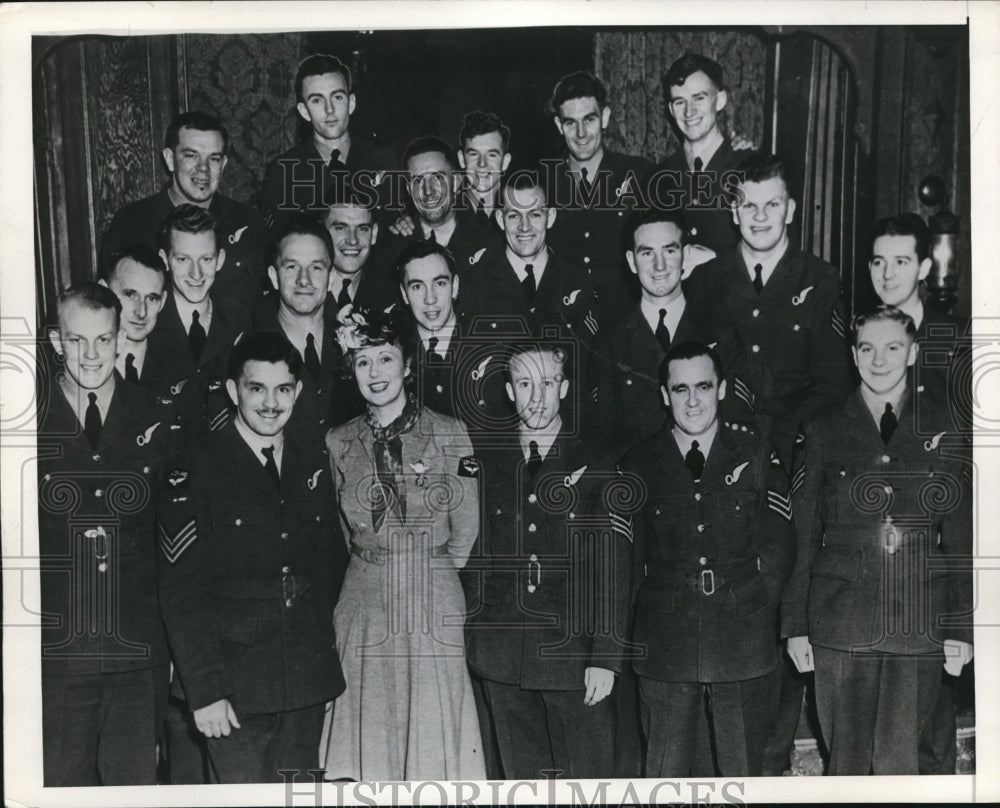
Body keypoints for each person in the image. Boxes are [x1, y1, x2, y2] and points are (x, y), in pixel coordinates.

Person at [782, 306, 973, 775]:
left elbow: (962, 535)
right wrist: (795, 625)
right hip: (841, 618)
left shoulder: (945, 428)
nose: (879, 360)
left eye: (892, 348)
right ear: (853, 355)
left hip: (918, 617)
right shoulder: (822, 427)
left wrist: (962, 628)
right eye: (867, 348)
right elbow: (802, 533)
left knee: (900, 762)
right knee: (844, 761)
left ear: (912, 354)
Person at [157, 331, 348, 783]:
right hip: (232, 687)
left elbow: (329, 566)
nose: (270, 403)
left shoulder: (311, 463)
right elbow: (183, 592)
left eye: (283, 389)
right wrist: (205, 691)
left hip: (303, 679)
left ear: (298, 391)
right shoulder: (195, 468)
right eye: (255, 388)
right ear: (232, 391)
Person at [319, 307, 485, 782]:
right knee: (366, 736)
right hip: (364, 598)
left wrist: (421, 570)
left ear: (408, 366)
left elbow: (466, 530)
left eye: (386, 359)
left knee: (433, 739)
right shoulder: (338, 441)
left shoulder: (449, 432)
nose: (375, 373)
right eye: (363, 361)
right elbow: (340, 528)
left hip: (429, 596)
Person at [618, 340, 795, 777]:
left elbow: (779, 544)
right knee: (667, 774)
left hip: (743, 639)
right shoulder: (638, 463)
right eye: (680, 389)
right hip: (666, 643)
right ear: (664, 395)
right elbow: (628, 556)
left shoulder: (755, 453)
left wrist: (755, 608)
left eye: (703, 386)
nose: (692, 400)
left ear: (722, 389)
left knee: (744, 774)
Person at [466, 342, 631, 779]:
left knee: (587, 781)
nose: (536, 397)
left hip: (574, 655)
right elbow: (474, 554)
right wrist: (477, 630)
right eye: (524, 384)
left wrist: (606, 655)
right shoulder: (487, 459)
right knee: (522, 783)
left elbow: (612, 566)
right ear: (508, 390)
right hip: (503, 655)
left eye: (546, 383)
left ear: (564, 388)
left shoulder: (597, 460)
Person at [38, 282, 176, 785]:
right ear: (57, 342)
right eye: (77, 341)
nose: (91, 354)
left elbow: (173, 543)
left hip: (136, 652)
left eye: (103, 339)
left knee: (133, 786)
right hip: (59, 653)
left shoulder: (155, 416)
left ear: (120, 340)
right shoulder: (25, 422)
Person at [867, 213, 973, 774]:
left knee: (930, 728)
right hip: (871, 557)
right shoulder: (857, 336)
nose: (887, 274)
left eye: (901, 262)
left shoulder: (955, 342)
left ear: (926, 268)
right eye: (878, 262)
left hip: (935, 555)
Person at [685, 152, 850, 467]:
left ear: (789, 211)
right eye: (749, 206)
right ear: (735, 213)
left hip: (795, 450)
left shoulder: (821, 280)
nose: (759, 217)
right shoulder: (707, 281)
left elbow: (832, 384)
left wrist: (782, 436)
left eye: (772, 205)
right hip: (720, 446)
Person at [589, 208, 749, 457]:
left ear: (685, 255)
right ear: (632, 261)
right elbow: (602, 438)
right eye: (647, 253)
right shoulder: (610, 342)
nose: (659, 265)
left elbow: (737, 426)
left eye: (669, 250)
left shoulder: (721, 332)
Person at [100, 111, 268, 317]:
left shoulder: (248, 222)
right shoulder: (133, 222)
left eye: (213, 159)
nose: (203, 169)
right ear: (170, 160)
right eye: (191, 156)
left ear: (223, 165)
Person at [546, 71, 654, 332]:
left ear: (604, 118)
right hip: (567, 329)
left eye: (589, 119)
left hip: (628, 326)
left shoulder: (640, 175)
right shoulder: (543, 184)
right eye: (571, 123)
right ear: (559, 126)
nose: (581, 133)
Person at [143, 204, 245, 448]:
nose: (196, 273)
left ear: (220, 259)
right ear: (164, 260)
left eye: (206, 259)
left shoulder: (239, 318)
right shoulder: (146, 320)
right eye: (183, 259)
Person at [252, 213, 361, 442]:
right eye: (292, 267)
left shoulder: (361, 340)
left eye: (316, 268)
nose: (304, 279)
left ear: (331, 278)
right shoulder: (249, 349)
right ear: (274, 277)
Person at [258, 53, 395, 232]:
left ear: (351, 103)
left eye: (337, 97)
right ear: (304, 111)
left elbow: (394, 227)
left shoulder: (383, 159)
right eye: (317, 100)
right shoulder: (283, 171)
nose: (329, 110)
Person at [396, 238, 511, 446]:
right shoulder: (393, 354)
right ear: (404, 294)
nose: (429, 299)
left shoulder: (494, 345)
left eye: (439, 283)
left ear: (455, 286)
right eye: (417, 287)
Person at [656, 54, 748, 258]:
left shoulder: (751, 168)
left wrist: (714, 259)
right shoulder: (659, 179)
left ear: (720, 100)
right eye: (680, 102)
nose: (689, 111)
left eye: (699, 98)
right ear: (671, 110)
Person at [377, 135, 497, 273]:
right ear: (409, 190)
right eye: (418, 180)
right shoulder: (392, 248)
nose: (428, 191)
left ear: (456, 183)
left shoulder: (486, 240)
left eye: (437, 178)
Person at [98, 244, 168, 383]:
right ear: (103, 291)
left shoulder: (178, 363)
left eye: (152, 298)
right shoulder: (78, 362)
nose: (141, 312)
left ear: (163, 301)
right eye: (130, 295)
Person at [324, 189, 399, 316]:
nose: (352, 240)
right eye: (341, 228)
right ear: (322, 232)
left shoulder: (393, 291)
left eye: (363, 228)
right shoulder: (303, 286)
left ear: (374, 233)